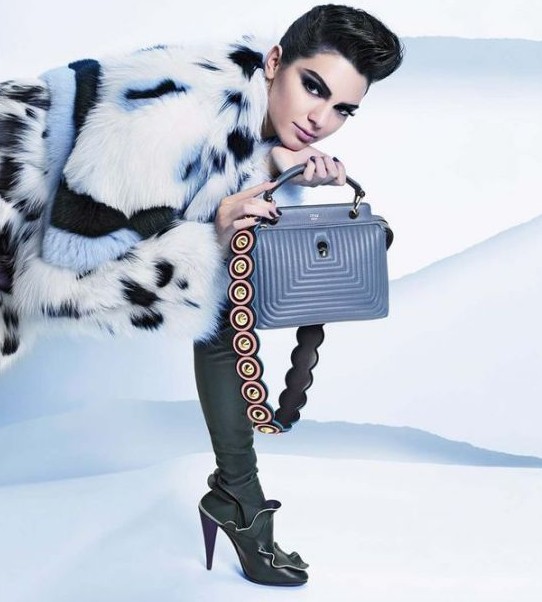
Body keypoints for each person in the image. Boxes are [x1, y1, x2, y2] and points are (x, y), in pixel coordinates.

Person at [0, 3, 402, 587]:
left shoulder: (248, 112)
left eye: (342, 108)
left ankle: (240, 497)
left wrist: (271, 166)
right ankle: (239, 499)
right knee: (215, 276)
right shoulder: (176, 116)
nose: (320, 119)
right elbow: (64, 268)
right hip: (22, 217)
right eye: (312, 87)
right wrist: (214, 234)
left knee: (222, 291)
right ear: (274, 62)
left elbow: (196, 229)